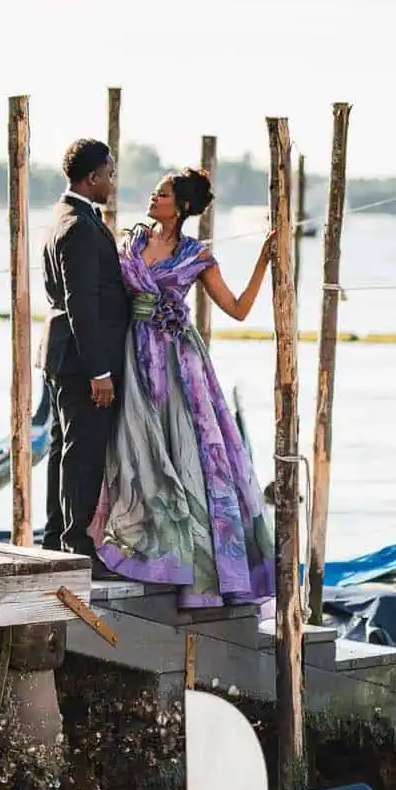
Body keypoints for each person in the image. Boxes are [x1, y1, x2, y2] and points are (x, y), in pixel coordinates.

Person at [88, 168, 277, 608]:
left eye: (164, 193)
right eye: (155, 191)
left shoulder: (198, 256)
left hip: (179, 362)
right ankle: (138, 542)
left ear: (184, 206)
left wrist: (263, 261)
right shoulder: (129, 241)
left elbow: (238, 309)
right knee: (133, 446)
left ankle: (194, 562)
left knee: (188, 453)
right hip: (132, 354)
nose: (154, 197)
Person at [41, 138, 129, 559]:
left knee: (65, 448)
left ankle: (56, 535)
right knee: (83, 452)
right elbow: (82, 302)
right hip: (81, 359)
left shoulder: (63, 216)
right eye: (109, 175)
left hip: (62, 353)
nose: (111, 183)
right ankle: (76, 544)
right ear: (92, 177)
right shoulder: (78, 226)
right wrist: (100, 371)